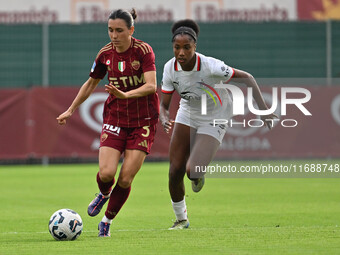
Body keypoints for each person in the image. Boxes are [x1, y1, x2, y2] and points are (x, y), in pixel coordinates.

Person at [160, 19, 277, 230]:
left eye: (187, 47)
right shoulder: (170, 68)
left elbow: (248, 78)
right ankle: (181, 220)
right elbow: (165, 104)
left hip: (216, 113)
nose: (181, 52)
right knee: (174, 170)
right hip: (188, 111)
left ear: (195, 46)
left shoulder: (211, 66)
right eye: (177, 47)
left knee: (192, 171)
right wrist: (164, 115)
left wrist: (264, 110)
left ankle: (197, 174)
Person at [56, 8, 159, 237]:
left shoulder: (143, 51)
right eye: (110, 30)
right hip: (115, 117)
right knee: (106, 174)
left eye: (119, 30)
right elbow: (90, 83)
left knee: (125, 177)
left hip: (143, 121)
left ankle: (107, 220)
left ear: (131, 30)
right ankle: (103, 194)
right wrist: (70, 110)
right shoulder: (105, 54)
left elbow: (151, 85)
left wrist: (125, 95)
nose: (114, 35)